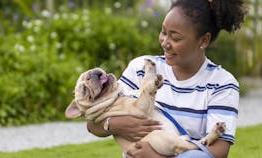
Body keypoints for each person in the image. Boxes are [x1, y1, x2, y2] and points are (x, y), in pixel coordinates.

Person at [87, 0, 247, 157]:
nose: (165, 43)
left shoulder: (222, 83)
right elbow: (93, 125)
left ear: (204, 40)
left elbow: (218, 151)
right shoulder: (143, 67)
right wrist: (115, 125)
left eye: (175, 38)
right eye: (163, 32)